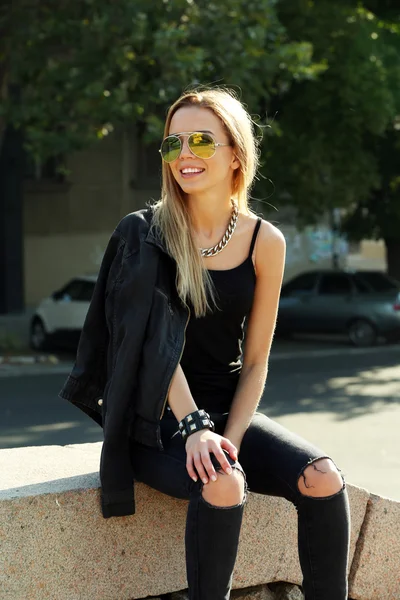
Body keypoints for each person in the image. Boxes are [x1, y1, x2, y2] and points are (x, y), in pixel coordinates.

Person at [60, 88, 350, 600]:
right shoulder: (145, 233)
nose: (184, 155)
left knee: (322, 478)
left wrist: (230, 442)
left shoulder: (266, 241)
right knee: (223, 485)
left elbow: (256, 360)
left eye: (200, 140)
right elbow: (152, 343)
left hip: (226, 409)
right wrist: (195, 428)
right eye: (173, 145)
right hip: (156, 416)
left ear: (236, 154)